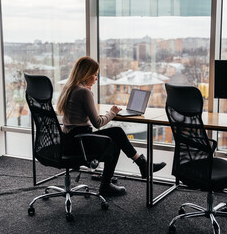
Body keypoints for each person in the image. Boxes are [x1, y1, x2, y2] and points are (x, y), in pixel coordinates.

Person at [57, 56, 166, 197]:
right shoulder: (83, 92)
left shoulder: (69, 89)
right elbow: (97, 123)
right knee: (116, 136)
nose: (96, 78)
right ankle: (134, 169)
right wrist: (112, 113)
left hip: (68, 141)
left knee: (115, 137)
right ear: (86, 74)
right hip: (81, 143)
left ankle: (140, 165)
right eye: (95, 74)